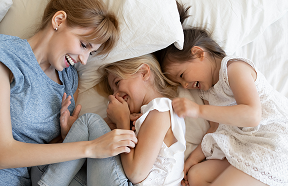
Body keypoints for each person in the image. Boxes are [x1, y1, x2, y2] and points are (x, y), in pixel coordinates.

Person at [0, 0, 139, 185]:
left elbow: (44, 156)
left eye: (91, 53)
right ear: (58, 20)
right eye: (84, 45)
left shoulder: (69, 80)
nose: (84, 60)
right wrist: (91, 147)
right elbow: (2, 154)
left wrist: (66, 136)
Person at [153, 2, 288, 186]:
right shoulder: (208, 94)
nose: (186, 85)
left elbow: (252, 115)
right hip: (249, 147)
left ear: (198, 54)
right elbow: (215, 128)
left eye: (182, 75)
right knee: (196, 175)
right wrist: (191, 161)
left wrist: (197, 110)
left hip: (277, 145)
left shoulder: (234, 69)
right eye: (180, 84)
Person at [37, 54, 187, 186]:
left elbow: (136, 173)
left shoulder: (160, 109)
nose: (114, 96)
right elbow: (99, 146)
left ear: (143, 72)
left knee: (90, 121)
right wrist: (72, 133)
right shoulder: (143, 116)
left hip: (129, 180)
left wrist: (122, 122)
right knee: (39, 169)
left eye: (117, 83)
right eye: (113, 91)